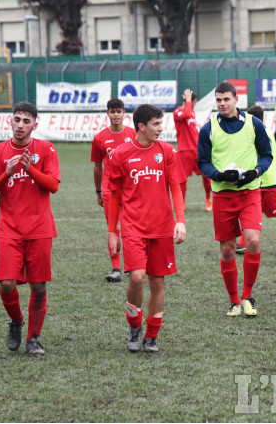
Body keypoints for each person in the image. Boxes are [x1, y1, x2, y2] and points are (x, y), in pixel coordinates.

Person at [0, 101, 60, 356]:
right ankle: (17, 322)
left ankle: (33, 339)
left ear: (34, 125)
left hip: (40, 229)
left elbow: (53, 185)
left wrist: (30, 169)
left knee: (38, 287)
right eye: (17, 119)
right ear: (11, 121)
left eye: (27, 121)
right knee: (6, 284)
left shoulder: (46, 149)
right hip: (10, 230)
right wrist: (7, 173)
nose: (21, 125)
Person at [107, 104, 187, 353]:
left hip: (162, 228)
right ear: (141, 126)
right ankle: (134, 326)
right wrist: (112, 230)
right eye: (156, 124)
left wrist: (180, 220)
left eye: (161, 123)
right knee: (136, 276)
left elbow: (176, 186)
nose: (161, 129)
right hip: (133, 227)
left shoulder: (167, 152)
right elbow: (114, 194)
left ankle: (151, 335)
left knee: (157, 282)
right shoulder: (120, 154)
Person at [197, 82, 273, 318]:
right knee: (228, 250)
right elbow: (203, 163)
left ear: (236, 100)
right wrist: (218, 175)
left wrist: (256, 172)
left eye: (226, 99)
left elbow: (266, 155)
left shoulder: (254, 124)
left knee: (252, 241)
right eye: (218, 100)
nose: (222, 104)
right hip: (222, 195)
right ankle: (233, 301)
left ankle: (248, 296)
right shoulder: (208, 129)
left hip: (249, 192)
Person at [236, 105, 276, 256]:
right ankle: (243, 244)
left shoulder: (258, 131)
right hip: (261, 180)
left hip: (268, 181)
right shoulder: (263, 129)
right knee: (248, 212)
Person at [91, 98, 137, 283]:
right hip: (110, 191)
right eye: (112, 111)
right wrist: (98, 192)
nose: (116, 114)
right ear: (108, 114)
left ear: (124, 113)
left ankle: (135, 265)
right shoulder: (100, 138)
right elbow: (97, 167)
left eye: (119, 111)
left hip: (132, 190)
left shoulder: (133, 134)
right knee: (113, 229)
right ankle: (116, 268)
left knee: (133, 228)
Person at [173, 88, 213, 211]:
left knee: (206, 176)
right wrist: (189, 101)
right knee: (182, 180)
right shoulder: (177, 112)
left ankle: (207, 198)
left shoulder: (193, 113)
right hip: (184, 151)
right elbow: (187, 114)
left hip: (197, 150)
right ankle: (182, 203)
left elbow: (191, 123)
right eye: (193, 102)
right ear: (193, 101)